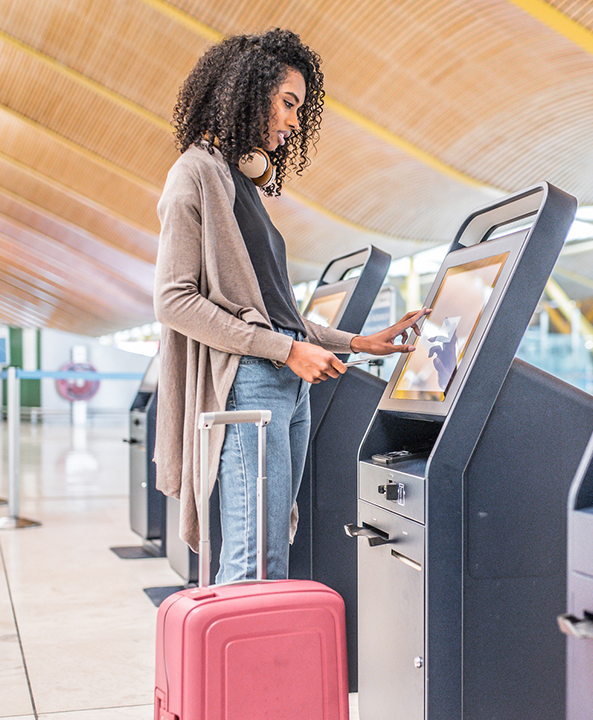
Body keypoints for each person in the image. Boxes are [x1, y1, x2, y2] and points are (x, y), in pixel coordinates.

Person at [153, 28, 428, 584]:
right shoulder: (194, 175)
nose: (295, 121)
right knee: (255, 555)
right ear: (247, 95)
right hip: (252, 381)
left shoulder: (242, 185)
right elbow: (174, 300)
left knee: (271, 542)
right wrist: (285, 351)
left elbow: (276, 312)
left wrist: (357, 342)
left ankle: (255, 669)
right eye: (288, 103)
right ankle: (235, 672)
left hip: (282, 382)